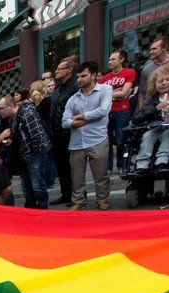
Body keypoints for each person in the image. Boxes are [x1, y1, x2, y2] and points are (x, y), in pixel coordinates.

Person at [63, 61, 114, 211]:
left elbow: (103, 110)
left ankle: (102, 199)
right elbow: (65, 122)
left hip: (98, 139)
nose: (79, 79)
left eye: (83, 76)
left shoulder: (105, 89)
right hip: (77, 142)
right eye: (78, 76)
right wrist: (89, 119)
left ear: (94, 75)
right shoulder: (73, 99)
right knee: (77, 176)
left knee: (101, 173)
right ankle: (78, 200)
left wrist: (80, 116)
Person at [0, 94, 52, 209]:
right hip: (25, 154)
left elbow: (37, 137)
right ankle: (31, 206)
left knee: (37, 183)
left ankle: (42, 208)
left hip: (35, 153)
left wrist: (32, 154)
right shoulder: (12, 117)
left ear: (11, 106)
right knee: (26, 184)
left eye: (1, 108)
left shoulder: (27, 114)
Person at [48, 56, 80, 206]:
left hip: (69, 131)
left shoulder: (75, 86)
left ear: (69, 70)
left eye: (60, 69)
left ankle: (78, 194)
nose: (56, 71)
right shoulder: (58, 87)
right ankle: (66, 193)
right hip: (56, 132)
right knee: (60, 165)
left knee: (71, 165)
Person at [100, 50, 137, 170]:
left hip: (122, 110)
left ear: (121, 60)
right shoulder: (104, 78)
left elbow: (124, 92)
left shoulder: (129, 72)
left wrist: (109, 95)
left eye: (113, 59)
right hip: (107, 111)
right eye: (109, 59)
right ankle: (109, 168)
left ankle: (122, 166)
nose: (110, 62)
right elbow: (101, 96)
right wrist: (116, 94)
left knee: (121, 139)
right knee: (107, 141)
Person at [140, 36, 169, 105]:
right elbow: (142, 91)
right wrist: (142, 106)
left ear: (165, 48)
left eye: (154, 49)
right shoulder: (146, 69)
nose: (150, 52)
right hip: (152, 105)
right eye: (150, 49)